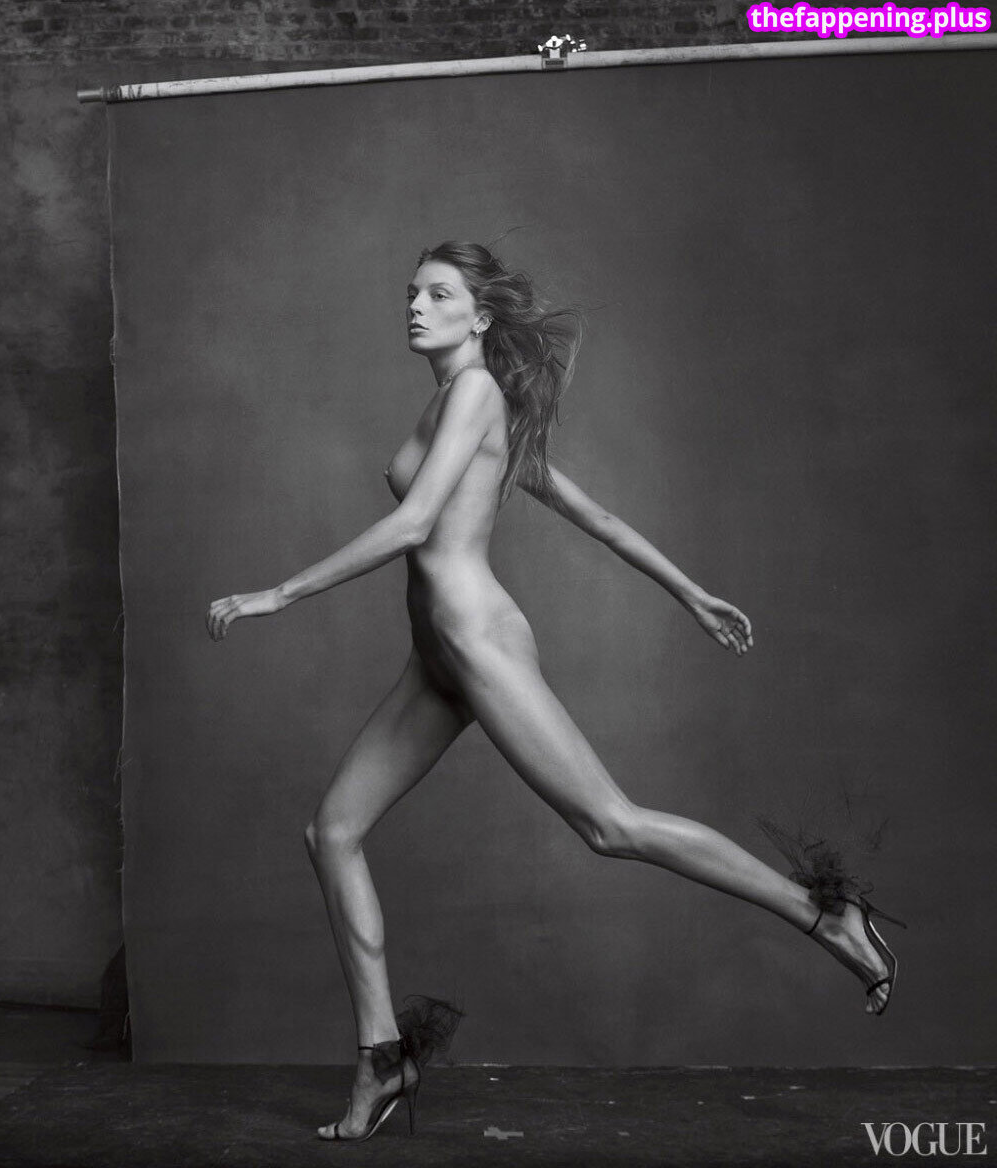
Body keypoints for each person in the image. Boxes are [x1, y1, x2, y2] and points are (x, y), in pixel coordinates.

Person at [206, 241, 904, 1142]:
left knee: (611, 826)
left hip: (479, 643)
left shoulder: (476, 392)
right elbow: (594, 515)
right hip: (435, 658)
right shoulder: (457, 403)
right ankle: (381, 1059)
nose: (414, 305)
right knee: (331, 832)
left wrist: (280, 593)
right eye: (411, 292)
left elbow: (415, 524)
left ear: (479, 315)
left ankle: (828, 917)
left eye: (438, 294)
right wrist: (690, 591)